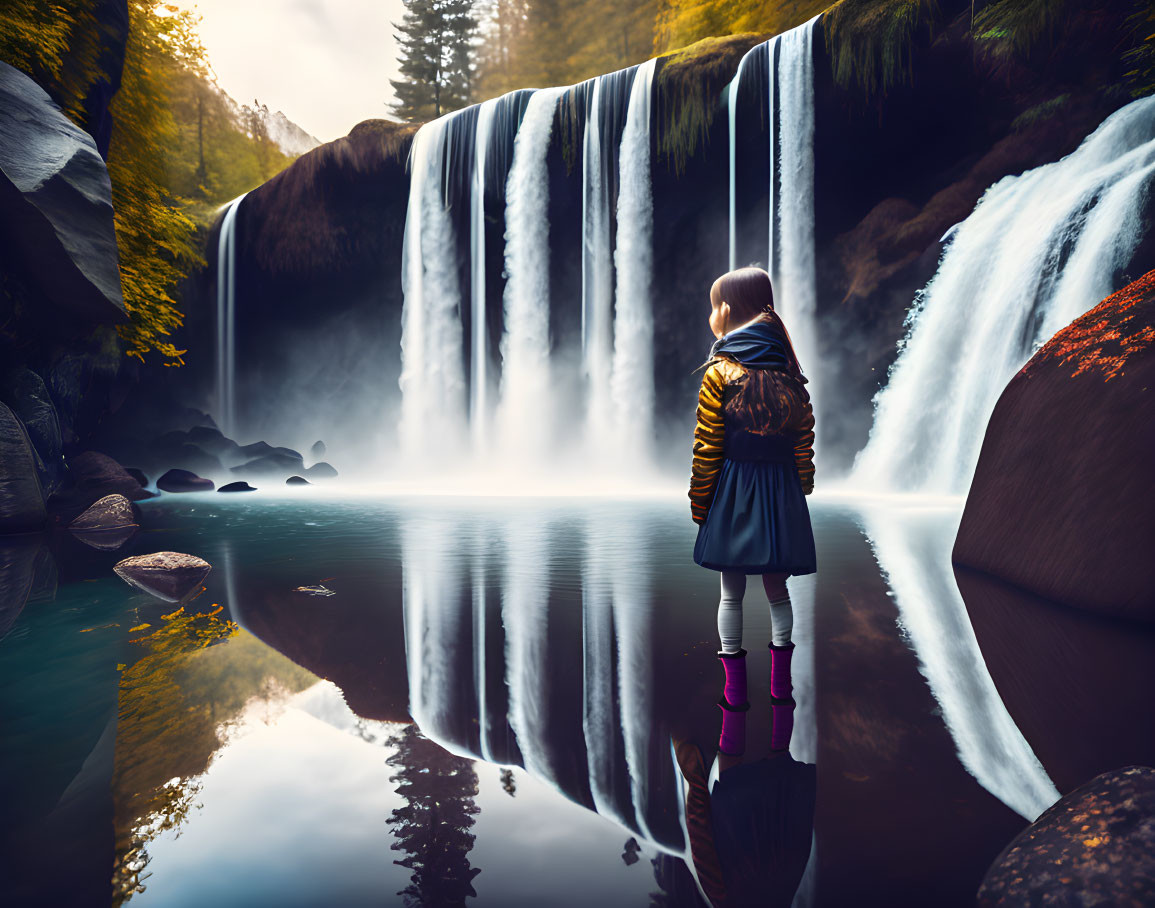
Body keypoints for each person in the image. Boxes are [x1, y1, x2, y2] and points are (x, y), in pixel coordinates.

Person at [688, 266, 816, 726]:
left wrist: (700, 502)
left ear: (726, 312)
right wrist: (800, 486)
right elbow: (804, 438)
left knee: (731, 590)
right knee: (777, 589)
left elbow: (707, 447)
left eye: (713, 306)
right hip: (779, 494)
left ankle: (734, 691)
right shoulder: (790, 375)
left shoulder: (719, 373)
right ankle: (781, 686)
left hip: (734, 492)